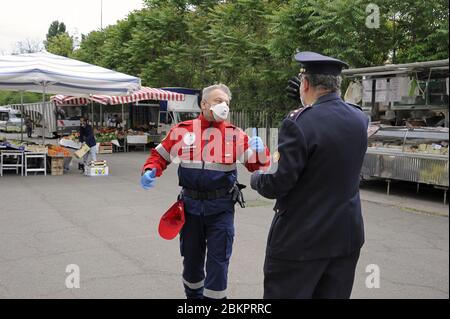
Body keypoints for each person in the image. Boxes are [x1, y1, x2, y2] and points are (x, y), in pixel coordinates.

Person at [250, 51, 369, 299]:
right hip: (345, 238)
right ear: (338, 85)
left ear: (305, 84)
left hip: (301, 241)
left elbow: (277, 182)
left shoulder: (297, 123)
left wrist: (257, 174)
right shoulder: (359, 118)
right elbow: (330, 126)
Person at [140, 84, 270, 299]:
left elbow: (257, 166)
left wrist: (261, 151)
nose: (224, 106)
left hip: (221, 209)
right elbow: (159, 155)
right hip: (189, 208)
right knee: (191, 261)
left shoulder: (235, 135)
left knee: (219, 263)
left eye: (227, 103)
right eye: (219, 101)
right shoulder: (183, 130)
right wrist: (150, 170)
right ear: (204, 104)